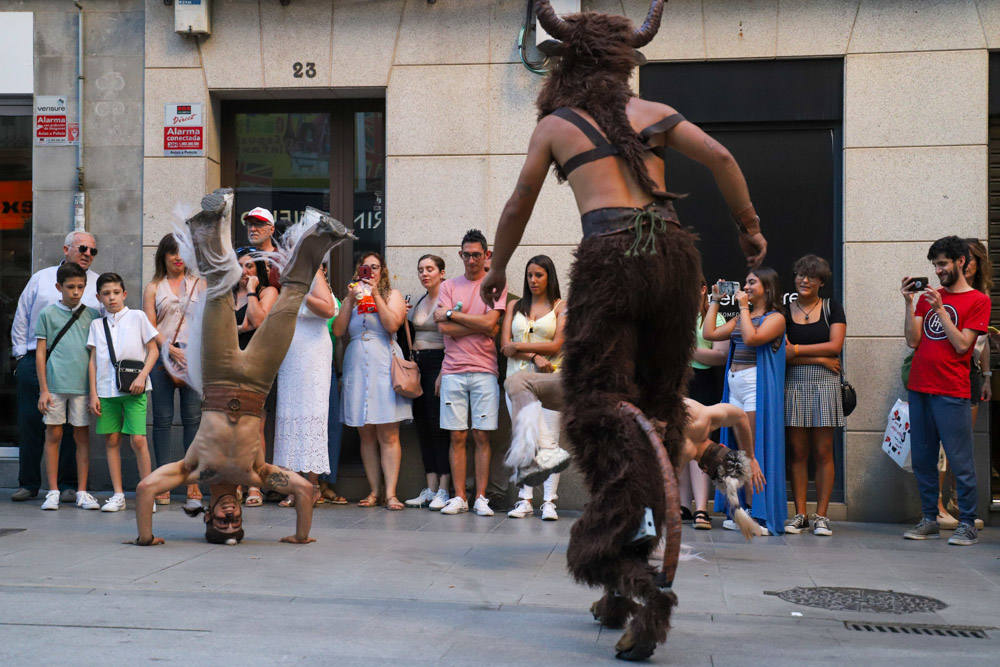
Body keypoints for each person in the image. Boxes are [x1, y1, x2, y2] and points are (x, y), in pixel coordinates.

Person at [479, 2, 767, 659]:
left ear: (564, 67)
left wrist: (497, 269)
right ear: (623, 64)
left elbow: (520, 199)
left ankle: (630, 577)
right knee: (658, 407)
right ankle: (616, 593)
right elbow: (721, 157)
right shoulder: (651, 114)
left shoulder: (557, 123)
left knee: (591, 410)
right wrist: (749, 228)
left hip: (610, 256)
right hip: (674, 254)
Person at [129, 193, 353, 546]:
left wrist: (146, 537)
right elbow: (304, 489)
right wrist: (301, 535)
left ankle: (209, 224)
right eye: (236, 523)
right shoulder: (257, 474)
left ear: (207, 516)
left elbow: (145, 489)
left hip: (217, 379)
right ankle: (320, 235)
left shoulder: (194, 470)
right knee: (290, 302)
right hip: (256, 383)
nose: (230, 516)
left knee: (219, 290)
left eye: (222, 522)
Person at [902, 235, 989, 547]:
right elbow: (913, 341)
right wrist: (910, 303)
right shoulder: (928, 297)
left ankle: (967, 523)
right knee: (924, 459)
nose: (937, 271)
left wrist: (940, 310)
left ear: (961, 262)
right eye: (935, 265)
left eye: (943, 264)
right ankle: (929, 518)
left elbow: (964, 345)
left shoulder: (978, 301)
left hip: (952, 390)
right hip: (920, 386)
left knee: (959, 459)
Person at [10, 230, 100, 503]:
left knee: (73, 427)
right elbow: (22, 315)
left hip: (76, 364)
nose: (87, 254)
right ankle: (29, 483)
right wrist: (19, 357)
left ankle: (69, 485)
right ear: (66, 249)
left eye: (92, 251)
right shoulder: (42, 278)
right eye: (82, 248)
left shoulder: (96, 283)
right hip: (35, 358)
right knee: (31, 423)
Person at [703, 269, 786, 536]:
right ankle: (739, 507)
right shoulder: (742, 316)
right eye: (746, 282)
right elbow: (710, 333)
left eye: (752, 282)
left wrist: (742, 307)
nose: (747, 286)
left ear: (768, 287)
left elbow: (751, 338)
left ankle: (756, 511)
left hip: (754, 385)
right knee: (737, 449)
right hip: (734, 383)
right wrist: (715, 301)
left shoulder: (776, 318)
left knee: (753, 449)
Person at [436, 230, 507, 517]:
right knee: (457, 437)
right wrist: (478, 325)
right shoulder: (449, 286)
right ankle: (460, 497)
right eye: (466, 254)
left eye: (477, 254)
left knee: (481, 435)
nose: (471, 260)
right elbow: (443, 329)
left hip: (484, 370)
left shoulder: (495, 285)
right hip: (453, 370)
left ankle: (480, 496)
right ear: (460, 255)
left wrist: (453, 316)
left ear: (486, 255)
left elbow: (492, 324)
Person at [333, 252, 411, 511]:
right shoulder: (352, 297)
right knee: (365, 432)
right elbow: (339, 331)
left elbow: (392, 325)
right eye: (365, 268)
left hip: (383, 364)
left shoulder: (393, 295)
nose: (370, 271)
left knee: (388, 432)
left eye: (375, 267)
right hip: (356, 364)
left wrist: (375, 294)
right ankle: (374, 490)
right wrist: (348, 298)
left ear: (383, 271)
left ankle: (391, 493)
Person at [783, 255, 845, 537]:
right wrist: (818, 359)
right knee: (797, 452)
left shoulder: (832, 307)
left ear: (821, 281)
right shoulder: (783, 311)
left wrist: (796, 351)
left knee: (823, 451)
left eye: (810, 276)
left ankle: (821, 515)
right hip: (793, 383)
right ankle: (799, 514)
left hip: (825, 386)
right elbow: (781, 354)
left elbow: (836, 346)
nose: (804, 280)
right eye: (800, 275)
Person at [87, 273, 159, 513]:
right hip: (106, 391)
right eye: (106, 294)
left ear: (124, 294)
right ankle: (118, 495)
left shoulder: (137, 317)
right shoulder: (97, 324)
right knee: (112, 440)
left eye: (116, 293)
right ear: (99, 297)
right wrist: (93, 394)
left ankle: (148, 493)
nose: (111, 298)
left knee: (138, 440)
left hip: (135, 388)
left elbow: (153, 351)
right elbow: (93, 361)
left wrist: (142, 376)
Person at [501, 255, 566, 521]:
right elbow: (505, 346)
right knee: (524, 440)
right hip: (517, 381)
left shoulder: (561, 306)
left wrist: (521, 347)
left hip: (549, 382)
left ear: (549, 276)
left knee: (549, 440)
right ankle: (524, 499)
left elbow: (556, 345)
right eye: (529, 275)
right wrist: (533, 356)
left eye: (539, 275)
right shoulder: (514, 306)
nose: (533, 280)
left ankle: (549, 501)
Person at [142, 234, 204, 510]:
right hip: (161, 358)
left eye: (182, 253)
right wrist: (168, 348)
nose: (178, 258)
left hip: (193, 359)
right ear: (163, 256)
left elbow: (207, 321)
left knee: (193, 419)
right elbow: (149, 326)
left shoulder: (198, 284)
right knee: (163, 420)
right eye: (172, 253)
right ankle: (164, 482)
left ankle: (193, 482)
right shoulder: (153, 287)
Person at [34, 263, 101, 510]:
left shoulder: (93, 315)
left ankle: (82, 491)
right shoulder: (47, 314)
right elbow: (40, 353)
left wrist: (95, 390)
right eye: (70, 287)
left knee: (82, 437)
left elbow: (95, 355)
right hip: (54, 385)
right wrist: (43, 389)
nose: (75, 292)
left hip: (83, 386)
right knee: (53, 435)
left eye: (80, 287)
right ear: (58, 287)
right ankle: (52, 490)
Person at [936, 239, 991, 530]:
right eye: (963, 259)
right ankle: (937, 506)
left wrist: (988, 377)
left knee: (962, 443)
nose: (966, 265)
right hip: (943, 373)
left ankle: (959, 505)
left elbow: (981, 345)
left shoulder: (981, 297)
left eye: (971, 260)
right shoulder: (942, 294)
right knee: (943, 445)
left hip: (970, 373)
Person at [273, 259, 337, 507]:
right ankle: (292, 485)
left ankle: (311, 486)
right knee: (289, 414)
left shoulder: (313, 273)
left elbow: (328, 309)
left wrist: (299, 291)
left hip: (313, 351)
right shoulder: (287, 273)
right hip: (292, 349)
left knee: (312, 413)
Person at [404, 254, 453, 510]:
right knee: (422, 425)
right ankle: (430, 487)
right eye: (421, 269)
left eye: (430, 269)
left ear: (442, 272)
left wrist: (445, 370)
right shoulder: (421, 299)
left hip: (439, 362)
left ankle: (444, 489)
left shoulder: (446, 298)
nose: (425, 273)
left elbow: (452, 339)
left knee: (438, 426)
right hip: (419, 365)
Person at [680, 279, 729, 530]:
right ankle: (683, 506)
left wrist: (688, 351)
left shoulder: (714, 318)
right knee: (677, 444)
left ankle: (701, 508)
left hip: (703, 383)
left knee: (698, 444)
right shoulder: (673, 316)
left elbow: (720, 356)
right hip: (676, 382)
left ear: (702, 289)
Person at [233, 247, 278, 507]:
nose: (244, 271)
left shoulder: (267, 292)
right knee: (234, 428)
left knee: (255, 428)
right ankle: (235, 480)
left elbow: (259, 320)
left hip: (257, 365)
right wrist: (241, 327)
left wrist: (251, 291)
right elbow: (221, 327)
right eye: (240, 265)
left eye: (250, 266)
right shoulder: (228, 294)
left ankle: (254, 485)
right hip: (232, 365)